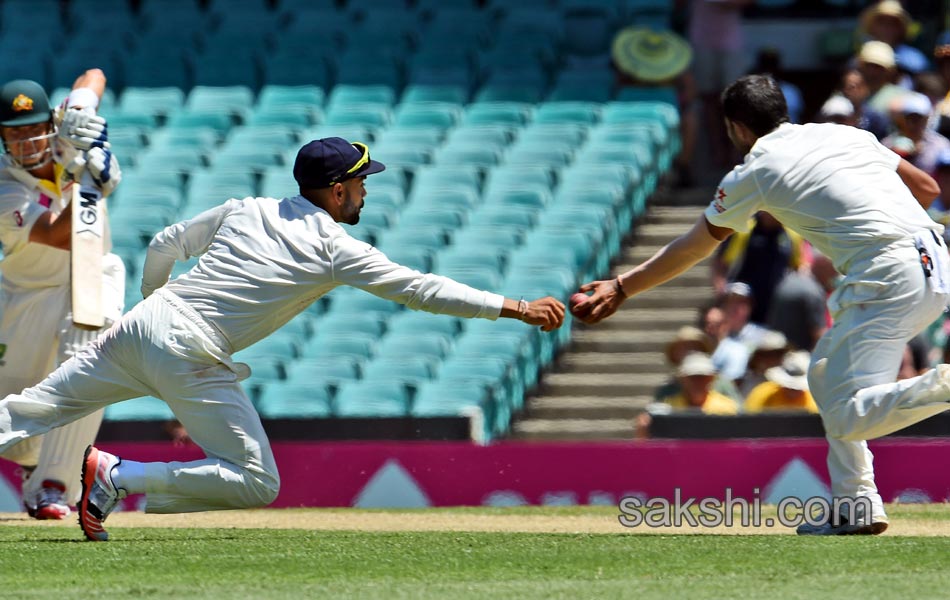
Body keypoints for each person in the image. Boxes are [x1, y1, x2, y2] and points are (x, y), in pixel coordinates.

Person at [0, 137, 565, 541]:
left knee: (28, 412)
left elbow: (166, 243)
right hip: (191, 349)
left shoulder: (247, 208)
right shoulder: (334, 247)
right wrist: (513, 307)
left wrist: (151, 303)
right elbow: (419, 289)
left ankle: (112, 477)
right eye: (362, 183)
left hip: (142, 327)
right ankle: (120, 476)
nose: (366, 194)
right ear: (339, 191)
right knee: (255, 481)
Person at [575, 74, 948, 535]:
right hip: (935, 261)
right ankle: (856, 507)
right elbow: (928, 189)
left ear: (737, 128)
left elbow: (694, 247)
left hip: (886, 271)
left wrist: (623, 286)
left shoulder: (754, 171)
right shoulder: (846, 133)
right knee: (827, 376)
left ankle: (943, 389)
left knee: (848, 412)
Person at [0, 71, 124, 520]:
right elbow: (60, 234)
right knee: (20, 425)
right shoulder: (3, 187)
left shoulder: (68, 130)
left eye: (35, 128)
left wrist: (84, 114)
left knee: (87, 352)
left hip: (94, 272)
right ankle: (37, 463)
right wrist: (88, 176)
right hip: (25, 295)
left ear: (50, 123)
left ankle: (55, 484)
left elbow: (94, 76)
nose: (28, 142)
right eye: (15, 134)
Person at [882, 92, 950, 176]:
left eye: (919, 119)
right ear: (902, 119)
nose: (914, 123)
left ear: (927, 119)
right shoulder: (888, 144)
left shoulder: (940, 146)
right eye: (911, 118)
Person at [744, 350, 818, 413]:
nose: (793, 391)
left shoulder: (817, 401)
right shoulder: (762, 394)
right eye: (789, 387)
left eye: (798, 389)